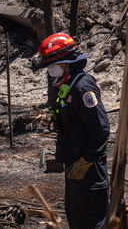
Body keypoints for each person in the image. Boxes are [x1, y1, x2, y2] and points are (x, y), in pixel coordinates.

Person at [37, 33, 109, 229]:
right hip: (74, 162)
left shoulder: (83, 87)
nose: (50, 70)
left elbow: (101, 127)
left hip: (89, 167)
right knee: (76, 216)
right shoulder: (67, 84)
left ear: (67, 62)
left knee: (91, 220)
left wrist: (87, 160)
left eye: (53, 64)